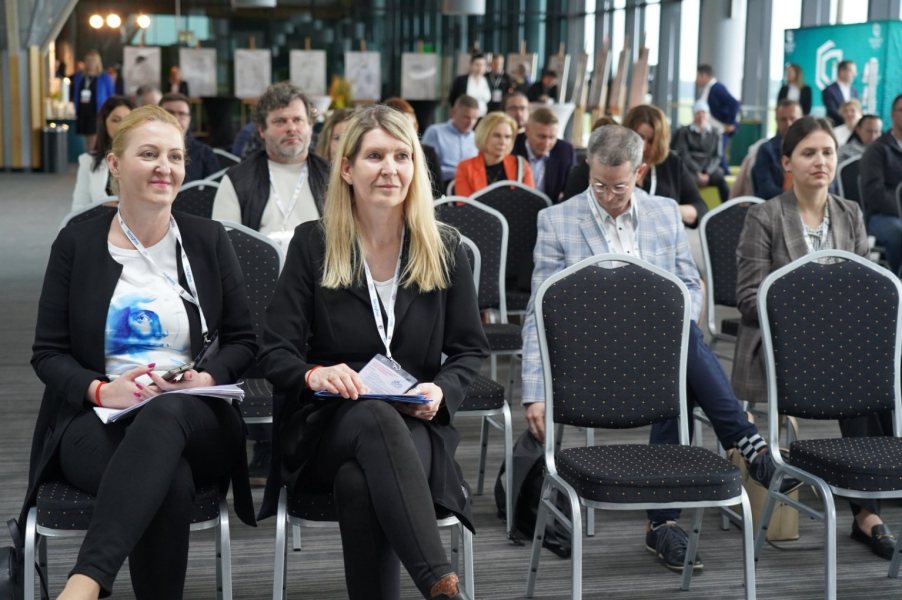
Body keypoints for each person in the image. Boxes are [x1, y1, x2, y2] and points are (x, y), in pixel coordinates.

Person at [520, 124, 795, 574]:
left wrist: (674, 322)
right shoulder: (557, 220)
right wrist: (534, 391)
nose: (608, 197)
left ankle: (664, 524)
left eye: (619, 187)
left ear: (641, 172)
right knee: (684, 347)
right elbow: (539, 308)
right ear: (589, 169)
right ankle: (746, 443)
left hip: (662, 352)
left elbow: (689, 282)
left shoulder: (664, 212)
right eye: (599, 185)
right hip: (594, 351)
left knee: (680, 343)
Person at [24, 105, 257, 599]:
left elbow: (244, 341)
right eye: (148, 154)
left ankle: (85, 584)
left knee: (166, 413)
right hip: (99, 419)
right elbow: (48, 354)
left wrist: (205, 378)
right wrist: (100, 390)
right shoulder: (77, 243)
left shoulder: (207, 239)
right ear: (114, 164)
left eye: (174, 156)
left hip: (197, 416)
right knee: (166, 479)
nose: (164, 167)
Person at [257, 105, 488, 600]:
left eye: (402, 156)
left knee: (359, 483)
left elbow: (469, 349)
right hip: (328, 425)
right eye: (375, 156)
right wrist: (315, 375)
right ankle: (442, 586)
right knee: (372, 418)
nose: (390, 169)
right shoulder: (313, 243)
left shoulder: (443, 247)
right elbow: (274, 351)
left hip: (416, 427)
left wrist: (441, 390)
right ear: (346, 169)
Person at [735, 116, 896, 561]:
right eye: (808, 153)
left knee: (881, 369)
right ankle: (868, 510)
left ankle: (871, 499)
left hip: (841, 346)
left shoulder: (850, 213)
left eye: (827, 152)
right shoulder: (764, 216)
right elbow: (748, 298)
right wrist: (814, 319)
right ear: (787, 162)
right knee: (861, 372)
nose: (820, 161)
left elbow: (864, 287)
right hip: (781, 347)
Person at [212, 81, 329, 248]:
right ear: (262, 130)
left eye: (298, 120)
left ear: (310, 126)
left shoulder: (330, 177)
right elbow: (224, 248)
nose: (291, 128)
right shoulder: (237, 180)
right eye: (280, 121)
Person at [623, 104, 707, 228]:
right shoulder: (611, 161)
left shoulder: (672, 164)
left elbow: (700, 208)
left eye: (651, 141)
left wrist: (666, 210)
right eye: (639, 137)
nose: (643, 147)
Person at [860, 93, 902, 275]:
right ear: (892, 115)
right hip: (883, 216)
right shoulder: (877, 149)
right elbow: (875, 193)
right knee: (898, 233)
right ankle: (897, 282)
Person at [72, 96, 134, 210]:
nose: (122, 125)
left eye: (127, 120)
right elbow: (79, 207)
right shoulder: (88, 161)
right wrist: (100, 208)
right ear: (104, 124)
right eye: (115, 120)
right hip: (101, 220)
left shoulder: (145, 160)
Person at [454, 111, 534, 196]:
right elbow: (464, 203)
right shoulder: (465, 168)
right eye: (497, 136)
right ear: (483, 136)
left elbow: (530, 200)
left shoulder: (521, 166)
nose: (502, 142)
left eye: (507, 137)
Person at [512, 107, 576, 202]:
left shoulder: (565, 151)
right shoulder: (511, 146)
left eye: (552, 137)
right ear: (527, 130)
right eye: (541, 137)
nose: (546, 143)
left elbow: (572, 190)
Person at [671, 99, 730, 203]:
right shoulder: (684, 132)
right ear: (694, 115)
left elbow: (717, 156)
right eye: (698, 112)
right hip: (691, 169)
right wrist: (697, 171)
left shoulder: (716, 133)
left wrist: (707, 172)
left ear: (708, 115)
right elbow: (684, 155)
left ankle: (729, 207)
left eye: (704, 112)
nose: (701, 115)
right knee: (686, 182)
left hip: (710, 169)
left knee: (721, 181)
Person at [384, 97, 443, 198]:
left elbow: (438, 191)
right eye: (401, 127)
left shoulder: (428, 152)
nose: (408, 132)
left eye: (411, 126)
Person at [421, 95, 480, 188]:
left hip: (471, 186)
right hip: (441, 185)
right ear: (453, 113)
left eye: (475, 118)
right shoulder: (435, 132)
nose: (471, 122)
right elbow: (426, 167)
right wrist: (461, 172)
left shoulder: (477, 138)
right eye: (466, 117)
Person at [751, 99, 803, 201]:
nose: (789, 123)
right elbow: (765, 189)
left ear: (801, 120)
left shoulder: (814, 149)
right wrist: (798, 199)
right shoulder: (765, 150)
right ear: (776, 122)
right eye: (783, 119)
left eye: (793, 118)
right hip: (773, 207)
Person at [159, 93, 218, 182]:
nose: (175, 118)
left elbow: (214, 187)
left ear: (189, 119)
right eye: (170, 113)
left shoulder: (205, 153)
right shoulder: (145, 149)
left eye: (181, 113)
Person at [695, 64, 740, 168]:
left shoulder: (717, 88)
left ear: (704, 76)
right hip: (713, 130)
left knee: (719, 157)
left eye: (698, 76)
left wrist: (730, 123)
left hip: (720, 130)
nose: (696, 80)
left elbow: (734, 103)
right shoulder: (708, 89)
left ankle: (725, 175)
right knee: (716, 157)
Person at [73, 50, 116, 153]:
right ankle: (88, 153)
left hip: (97, 109)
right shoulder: (79, 76)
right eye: (88, 60)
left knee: (94, 133)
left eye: (93, 61)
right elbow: (75, 92)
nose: (90, 63)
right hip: (83, 108)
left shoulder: (104, 77)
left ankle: (90, 153)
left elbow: (111, 94)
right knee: (86, 134)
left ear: (98, 62)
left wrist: (110, 110)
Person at [822, 60, 859, 127]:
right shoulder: (829, 90)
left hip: (853, 127)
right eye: (851, 71)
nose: (854, 75)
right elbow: (832, 111)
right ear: (842, 72)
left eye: (854, 72)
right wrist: (848, 119)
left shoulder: (854, 90)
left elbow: (857, 108)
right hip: (835, 126)